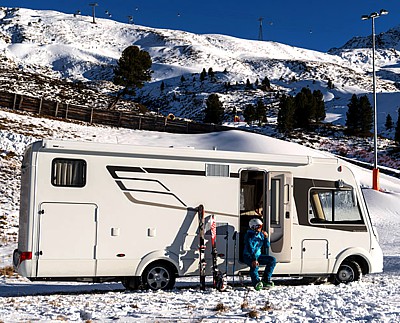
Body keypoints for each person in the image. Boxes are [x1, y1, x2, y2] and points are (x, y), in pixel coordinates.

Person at [243, 218, 276, 290]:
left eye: (261, 226)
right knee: (255, 265)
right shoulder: (249, 236)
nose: (261, 228)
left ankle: (265, 280)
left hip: (258, 256)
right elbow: (250, 248)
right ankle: (256, 283)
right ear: (254, 227)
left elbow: (267, 246)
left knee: (272, 260)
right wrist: (254, 259)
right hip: (248, 256)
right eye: (259, 226)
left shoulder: (260, 234)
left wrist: (266, 238)